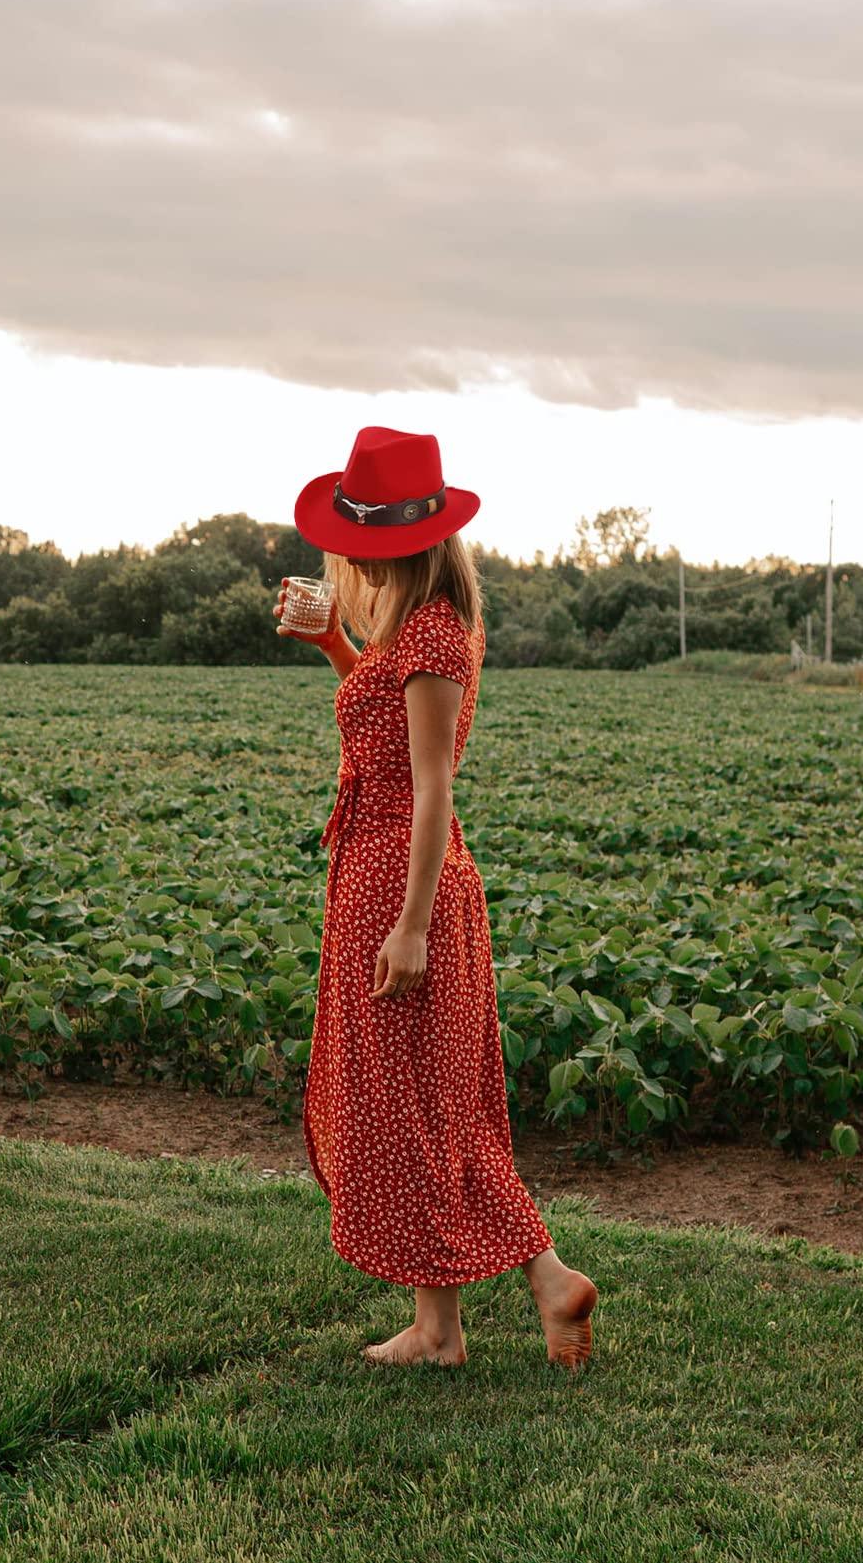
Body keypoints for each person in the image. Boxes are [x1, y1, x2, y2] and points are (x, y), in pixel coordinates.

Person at [276, 426, 599, 1371]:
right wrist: (334, 642)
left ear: (396, 548)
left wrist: (411, 924)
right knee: (426, 1104)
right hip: (382, 876)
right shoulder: (417, 633)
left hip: (401, 884)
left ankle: (521, 1286)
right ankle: (454, 1321)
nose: (347, 563)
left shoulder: (430, 640)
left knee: (411, 1108)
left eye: (358, 552)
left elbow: (430, 787)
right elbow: (378, 732)